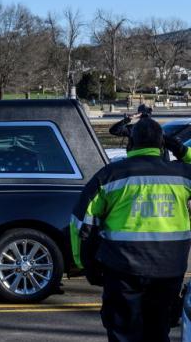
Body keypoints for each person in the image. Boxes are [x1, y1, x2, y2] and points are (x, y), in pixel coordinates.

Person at [71, 117, 191, 342]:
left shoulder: (110, 176)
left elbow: (81, 224)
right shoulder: (182, 175)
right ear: (162, 146)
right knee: (157, 332)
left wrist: (85, 264)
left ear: (130, 144)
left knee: (124, 334)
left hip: (122, 270)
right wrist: (182, 150)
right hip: (169, 270)